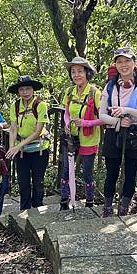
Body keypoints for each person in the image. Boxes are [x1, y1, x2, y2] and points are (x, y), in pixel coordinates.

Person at [99, 46, 137, 217]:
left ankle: (124, 208)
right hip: (113, 133)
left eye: (127, 61)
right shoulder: (110, 86)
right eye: (120, 61)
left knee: (131, 173)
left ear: (135, 63)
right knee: (111, 172)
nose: (124, 65)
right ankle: (108, 208)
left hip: (135, 134)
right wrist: (117, 121)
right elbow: (102, 115)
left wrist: (127, 110)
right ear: (115, 65)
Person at [59, 57, 102, 210]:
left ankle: (89, 202)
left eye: (80, 71)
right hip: (71, 137)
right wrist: (67, 123)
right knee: (66, 170)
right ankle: (64, 201)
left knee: (87, 172)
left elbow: (103, 118)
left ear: (87, 73)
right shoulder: (69, 91)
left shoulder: (95, 93)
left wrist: (85, 123)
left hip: (89, 138)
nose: (76, 75)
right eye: (73, 72)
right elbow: (66, 112)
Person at [6, 76, 50, 210]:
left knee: (38, 181)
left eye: (28, 89)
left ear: (33, 90)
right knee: (23, 182)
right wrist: (12, 147)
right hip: (21, 151)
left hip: (39, 149)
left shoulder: (40, 105)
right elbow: (13, 128)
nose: (25, 92)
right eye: (22, 89)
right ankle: (24, 209)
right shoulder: (15, 106)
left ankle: (37, 207)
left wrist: (18, 146)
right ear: (18, 91)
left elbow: (38, 131)